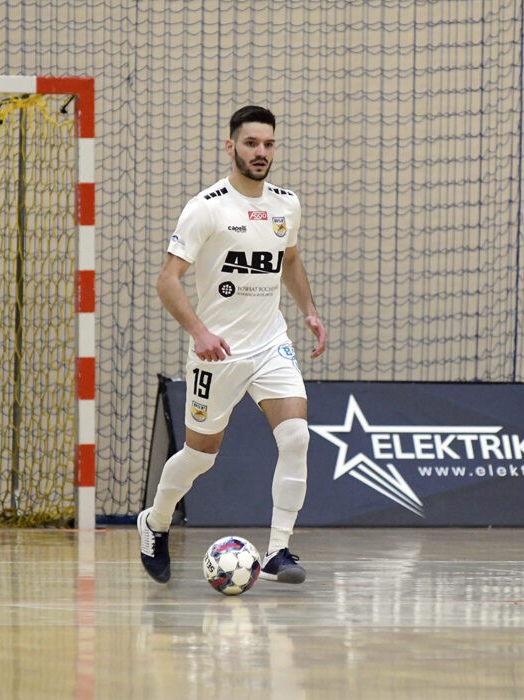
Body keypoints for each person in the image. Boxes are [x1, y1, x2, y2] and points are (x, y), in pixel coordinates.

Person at [138, 105, 327, 585]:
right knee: (200, 456)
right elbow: (167, 280)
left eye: (268, 144)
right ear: (231, 147)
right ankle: (155, 521)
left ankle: (279, 550)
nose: (261, 152)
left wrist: (308, 309)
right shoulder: (207, 207)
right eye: (251, 143)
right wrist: (200, 332)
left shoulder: (286, 204)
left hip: (270, 344)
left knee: (297, 437)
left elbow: (289, 260)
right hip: (217, 353)